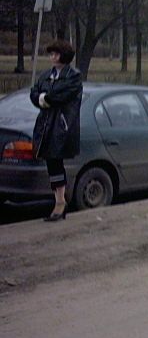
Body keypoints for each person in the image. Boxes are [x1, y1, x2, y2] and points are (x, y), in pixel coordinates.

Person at [30, 39, 83, 221]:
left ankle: (60, 203)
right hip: (45, 124)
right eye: (51, 54)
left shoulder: (73, 76)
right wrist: (43, 98)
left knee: (55, 161)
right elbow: (33, 94)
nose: (52, 57)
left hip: (61, 125)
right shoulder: (46, 75)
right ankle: (59, 201)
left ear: (64, 56)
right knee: (51, 163)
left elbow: (61, 95)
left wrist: (44, 98)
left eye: (56, 54)